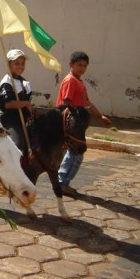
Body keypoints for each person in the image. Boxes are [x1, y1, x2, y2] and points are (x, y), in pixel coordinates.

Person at [57, 51, 112, 196]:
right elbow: (65, 103)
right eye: (79, 65)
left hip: (77, 125)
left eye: (84, 66)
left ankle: (62, 182)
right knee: (75, 154)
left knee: (73, 154)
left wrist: (100, 116)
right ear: (71, 65)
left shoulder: (79, 81)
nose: (82, 68)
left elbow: (86, 102)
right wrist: (66, 124)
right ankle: (61, 183)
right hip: (71, 125)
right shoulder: (70, 81)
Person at [0, 49, 32, 158]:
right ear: (9, 65)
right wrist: (25, 103)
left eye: (22, 64)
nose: (20, 66)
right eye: (16, 63)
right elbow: (7, 104)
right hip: (10, 123)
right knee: (18, 146)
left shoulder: (25, 83)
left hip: (23, 123)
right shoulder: (6, 83)